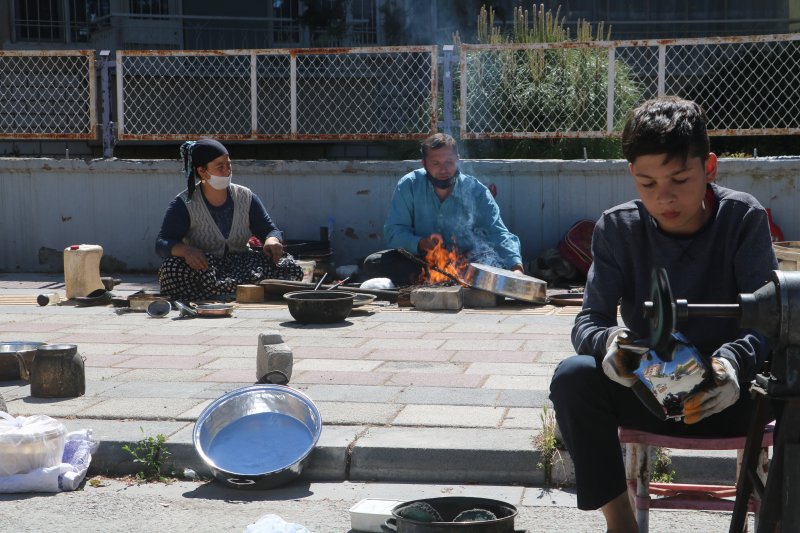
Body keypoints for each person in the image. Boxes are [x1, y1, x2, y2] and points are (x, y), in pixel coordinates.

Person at [548, 96, 777, 533]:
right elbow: (588, 320)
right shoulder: (617, 228)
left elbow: (769, 319)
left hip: (732, 393)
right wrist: (611, 345)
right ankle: (620, 522)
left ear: (709, 168)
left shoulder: (743, 218)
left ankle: (780, 517)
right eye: (647, 184)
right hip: (649, 392)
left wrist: (730, 365)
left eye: (679, 179)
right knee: (572, 377)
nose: (664, 198)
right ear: (631, 175)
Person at [362, 133, 524, 286]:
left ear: (458, 160)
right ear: (424, 163)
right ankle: (443, 280)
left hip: (465, 262)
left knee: (493, 262)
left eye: (449, 162)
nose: (443, 170)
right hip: (422, 261)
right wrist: (421, 243)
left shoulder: (477, 191)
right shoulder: (408, 185)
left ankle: (441, 280)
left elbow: (498, 233)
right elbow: (394, 232)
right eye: (435, 163)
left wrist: (516, 269)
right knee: (374, 262)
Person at [155, 139, 302, 301]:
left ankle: (230, 292)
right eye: (220, 167)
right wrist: (186, 251)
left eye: (229, 165)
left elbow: (269, 230)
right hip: (205, 267)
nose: (227, 171)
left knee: (289, 265)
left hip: (243, 265)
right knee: (171, 268)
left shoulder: (245, 197)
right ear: (202, 171)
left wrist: (272, 240)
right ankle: (244, 292)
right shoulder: (184, 203)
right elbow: (162, 242)